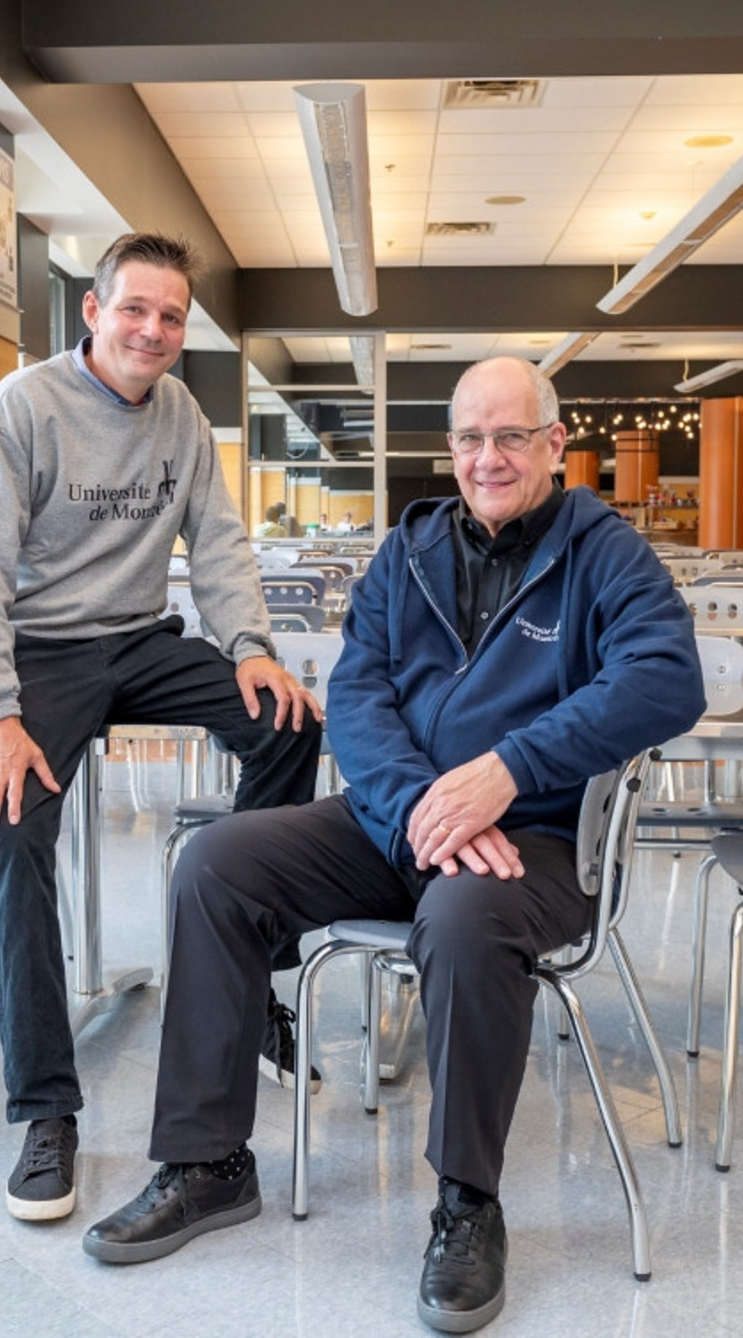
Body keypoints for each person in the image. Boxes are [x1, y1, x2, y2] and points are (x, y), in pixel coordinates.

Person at [81, 356, 706, 1332]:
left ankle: (466, 1204)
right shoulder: (410, 553)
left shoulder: (603, 553)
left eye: (509, 436)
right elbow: (362, 696)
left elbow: (666, 681)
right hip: (398, 821)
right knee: (215, 862)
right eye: (468, 438)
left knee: (461, 914)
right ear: (448, 448)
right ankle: (206, 1161)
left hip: (536, 841)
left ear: (553, 444)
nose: (486, 457)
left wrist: (506, 770)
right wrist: (420, 807)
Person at [0, 232, 326, 1224]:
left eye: (169, 317)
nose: (152, 331)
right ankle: (45, 1112)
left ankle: (258, 979)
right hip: (33, 653)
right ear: (92, 311)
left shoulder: (182, 412)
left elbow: (220, 537)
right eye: (134, 310)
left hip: (139, 640)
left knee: (283, 723)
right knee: (8, 834)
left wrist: (247, 646)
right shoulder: (19, 411)